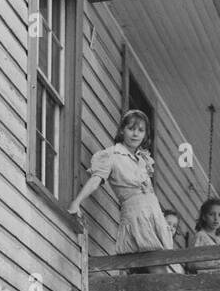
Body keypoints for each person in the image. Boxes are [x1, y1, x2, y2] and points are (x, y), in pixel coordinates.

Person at [67, 110, 174, 264]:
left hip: (153, 214)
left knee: (162, 263)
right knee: (156, 265)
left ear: (145, 135)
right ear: (122, 130)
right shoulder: (112, 155)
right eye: (131, 128)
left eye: (140, 130)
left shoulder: (143, 159)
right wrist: (76, 202)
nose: (135, 134)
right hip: (136, 215)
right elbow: (96, 180)